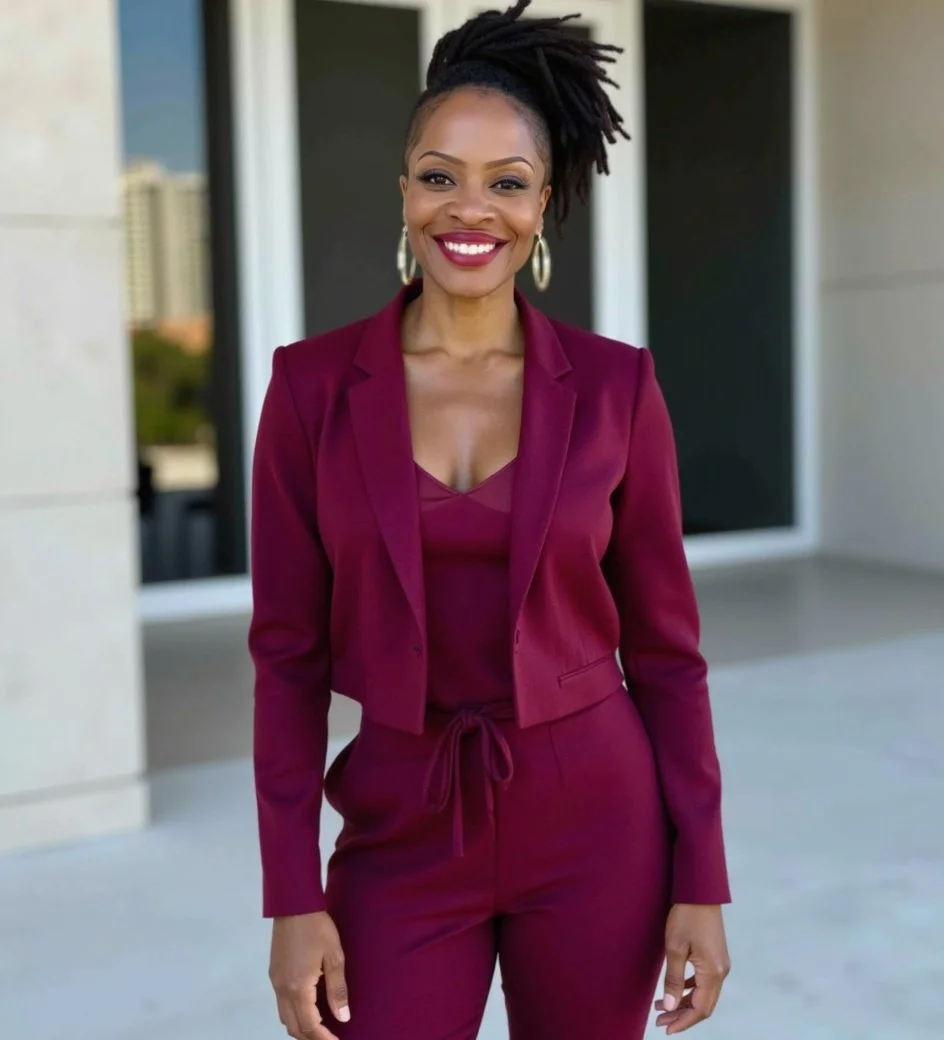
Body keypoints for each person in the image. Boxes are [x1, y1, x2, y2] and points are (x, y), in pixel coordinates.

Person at [248, 2, 731, 1037]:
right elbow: (285, 657)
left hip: (596, 821)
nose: (470, 209)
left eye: (506, 181)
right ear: (403, 191)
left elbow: (665, 653)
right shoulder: (308, 389)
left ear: (544, 202)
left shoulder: (614, 388)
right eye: (439, 174)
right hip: (399, 821)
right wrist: (290, 893)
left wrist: (703, 875)